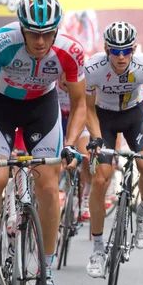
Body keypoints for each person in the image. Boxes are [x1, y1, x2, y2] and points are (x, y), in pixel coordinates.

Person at [0, 0, 87, 285]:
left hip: (42, 107)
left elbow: (79, 104)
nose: (40, 41)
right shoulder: (1, 42)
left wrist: (70, 144)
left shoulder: (70, 51)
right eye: (33, 33)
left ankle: (46, 274)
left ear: (56, 30)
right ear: (21, 28)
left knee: (49, 186)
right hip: (2, 106)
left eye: (47, 33)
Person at [84, 21, 143, 278]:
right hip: (104, 118)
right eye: (115, 51)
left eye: (126, 51)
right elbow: (88, 109)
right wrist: (96, 138)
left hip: (134, 116)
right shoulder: (92, 69)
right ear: (107, 49)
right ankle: (98, 249)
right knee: (101, 179)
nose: (121, 57)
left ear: (134, 49)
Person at [57, 73, 92, 219]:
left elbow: (87, 112)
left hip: (77, 123)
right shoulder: (52, 85)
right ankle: (56, 191)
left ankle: (85, 197)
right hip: (58, 121)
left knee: (85, 156)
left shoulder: (82, 84)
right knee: (55, 157)